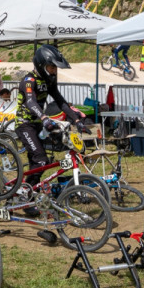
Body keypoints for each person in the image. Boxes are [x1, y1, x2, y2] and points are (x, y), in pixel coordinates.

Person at [14, 45, 86, 198]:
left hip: (39, 124)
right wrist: (44, 118)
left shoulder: (49, 81)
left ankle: (30, 193)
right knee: (41, 160)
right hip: (25, 124)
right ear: (42, 65)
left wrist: (77, 119)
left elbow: (61, 102)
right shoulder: (29, 81)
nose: (54, 71)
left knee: (46, 157)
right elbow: (31, 102)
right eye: (52, 67)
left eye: (55, 68)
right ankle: (25, 193)